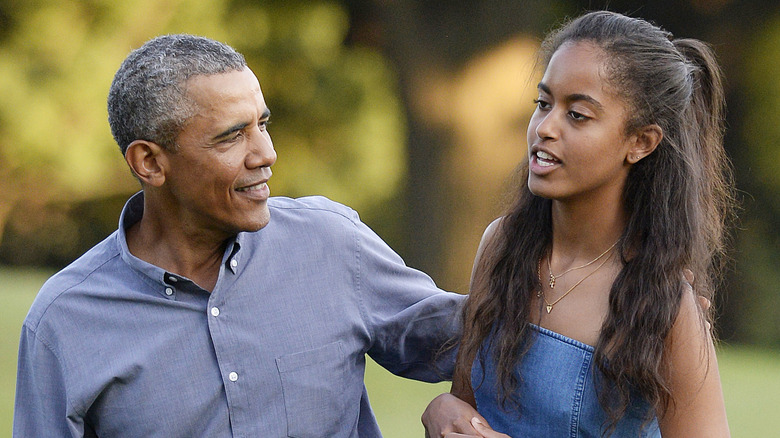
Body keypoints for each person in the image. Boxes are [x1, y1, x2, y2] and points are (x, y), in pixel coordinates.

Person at [14, 34, 464, 437]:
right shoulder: (65, 322)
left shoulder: (333, 245)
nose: (266, 154)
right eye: (232, 136)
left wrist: (452, 407)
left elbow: (492, 347)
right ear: (149, 163)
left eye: (262, 125)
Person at [422, 11, 734, 437]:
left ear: (640, 142)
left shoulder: (663, 304)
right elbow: (468, 405)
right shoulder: (502, 246)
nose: (545, 128)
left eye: (578, 115)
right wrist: (445, 411)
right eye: (543, 104)